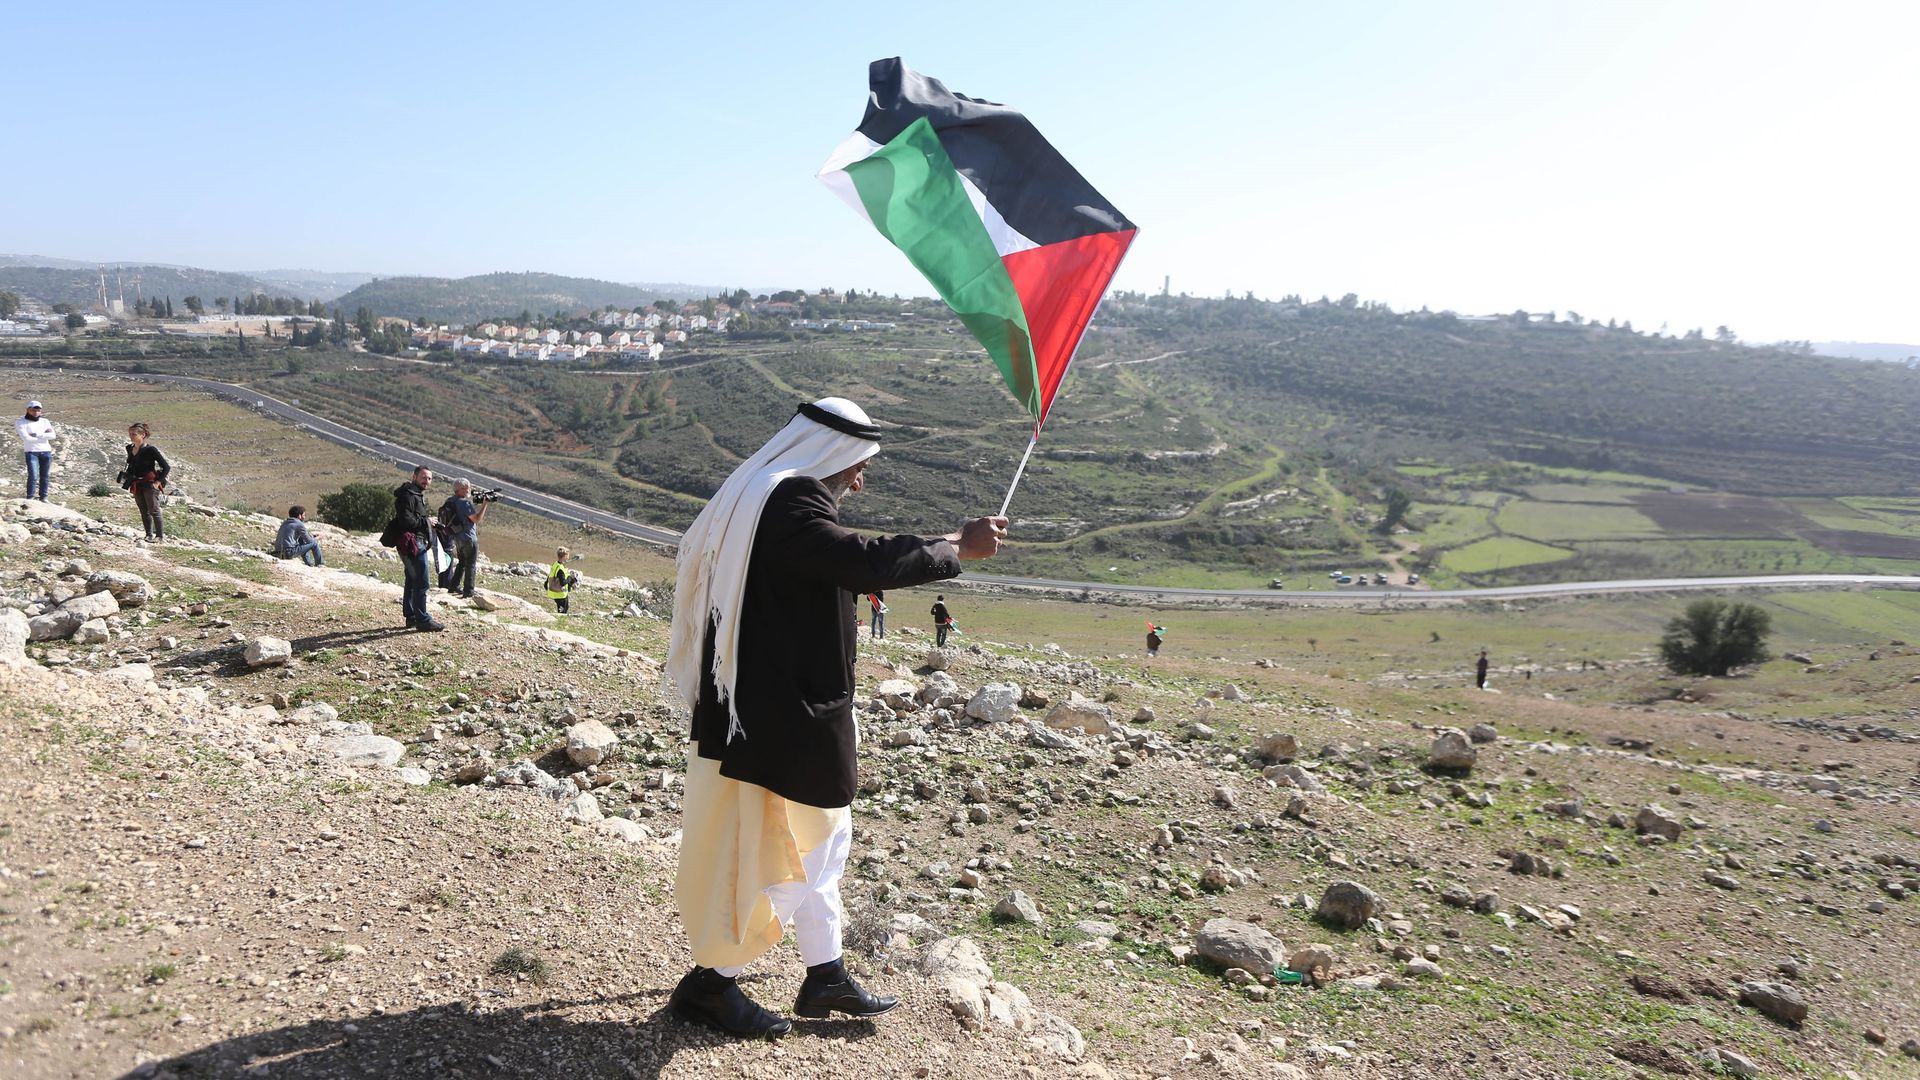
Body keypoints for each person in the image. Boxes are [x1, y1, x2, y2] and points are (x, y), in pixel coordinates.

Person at [665, 398, 1007, 1038]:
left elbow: (839, 561)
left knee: (819, 839)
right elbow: (861, 561)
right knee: (796, 843)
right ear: (832, 453)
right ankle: (712, 984)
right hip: (782, 712)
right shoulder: (790, 499)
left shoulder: (762, 493)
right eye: (858, 465)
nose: (859, 480)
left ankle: (824, 974)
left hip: (758, 702)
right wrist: (957, 545)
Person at [389, 466, 444, 632]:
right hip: (413, 544)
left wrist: (428, 522)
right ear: (414, 476)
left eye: (429, 479)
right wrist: (428, 522)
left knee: (412, 580)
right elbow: (407, 521)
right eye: (423, 477)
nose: (426, 481)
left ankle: (411, 616)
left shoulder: (414, 494)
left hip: (414, 543)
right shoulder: (407, 496)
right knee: (421, 581)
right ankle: (423, 620)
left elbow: (414, 518)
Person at [438, 480, 488, 598]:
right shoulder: (464, 503)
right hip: (469, 537)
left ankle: (453, 586)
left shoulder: (450, 501)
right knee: (471, 564)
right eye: (467, 488)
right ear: (460, 489)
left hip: (457, 537)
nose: (469, 490)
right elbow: (476, 519)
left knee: (462, 563)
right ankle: (468, 591)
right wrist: (485, 505)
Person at [123, 423, 171, 542]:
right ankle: (148, 534)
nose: (131, 436)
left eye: (134, 434)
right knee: (143, 510)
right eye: (130, 433)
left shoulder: (150, 450)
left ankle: (159, 536)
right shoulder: (129, 448)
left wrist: (158, 482)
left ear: (143, 435)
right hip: (136, 483)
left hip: (149, 483)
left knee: (154, 509)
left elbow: (166, 467)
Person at [16, 400, 54, 501]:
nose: (36, 412)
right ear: (28, 410)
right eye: (33, 410)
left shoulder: (45, 421)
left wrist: (37, 434)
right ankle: (30, 497)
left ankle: (44, 497)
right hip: (31, 451)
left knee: (45, 476)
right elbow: (27, 438)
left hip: (46, 451)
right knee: (33, 475)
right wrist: (44, 436)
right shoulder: (21, 422)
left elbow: (53, 436)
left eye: (38, 410)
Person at [545, 547, 577, 613]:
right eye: (567, 556)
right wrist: (570, 578)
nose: (568, 558)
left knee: (563, 608)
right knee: (563, 610)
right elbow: (563, 583)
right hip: (560, 594)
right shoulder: (560, 569)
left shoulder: (555, 564)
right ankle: (560, 620)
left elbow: (550, 575)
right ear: (564, 556)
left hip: (553, 591)